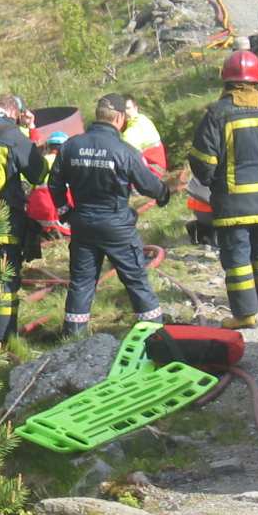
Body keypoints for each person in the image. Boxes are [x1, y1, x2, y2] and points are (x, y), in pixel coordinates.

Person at [188, 51, 258, 329]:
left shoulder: (218, 113)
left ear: (226, 81)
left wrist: (210, 181)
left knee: (237, 258)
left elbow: (203, 160)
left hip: (232, 202)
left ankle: (245, 314)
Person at [49, 93, 170, 336]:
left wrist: (65, 213)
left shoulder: (70, 146)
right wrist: (163, 193)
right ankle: (155, 336)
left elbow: (54, 184)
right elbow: (149, 185)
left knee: (81, 284)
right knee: (136, 280)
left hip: (82, 225)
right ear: (120, 118)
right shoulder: (125, 151)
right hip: (116, 227)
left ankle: (72, 341)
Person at [0, 94, 48, 343]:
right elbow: (39, 174)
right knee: (4, 281)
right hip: (4, 219)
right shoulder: (12, 135)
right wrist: (31, 133)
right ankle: (2, 341)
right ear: (13, 112)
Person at [26, 131, 71, 239]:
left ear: (48, 146)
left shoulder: (41, 161)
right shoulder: (68, 162)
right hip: (60, 211)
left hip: (38, 212)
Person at [123, 96, 167, 178]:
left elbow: (125, 155)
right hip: (157, 168)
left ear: (135, 108)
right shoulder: (142, 119)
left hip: (151, 172)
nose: (125, 111)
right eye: (123, 109)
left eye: (128, 108)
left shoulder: (134, 128)